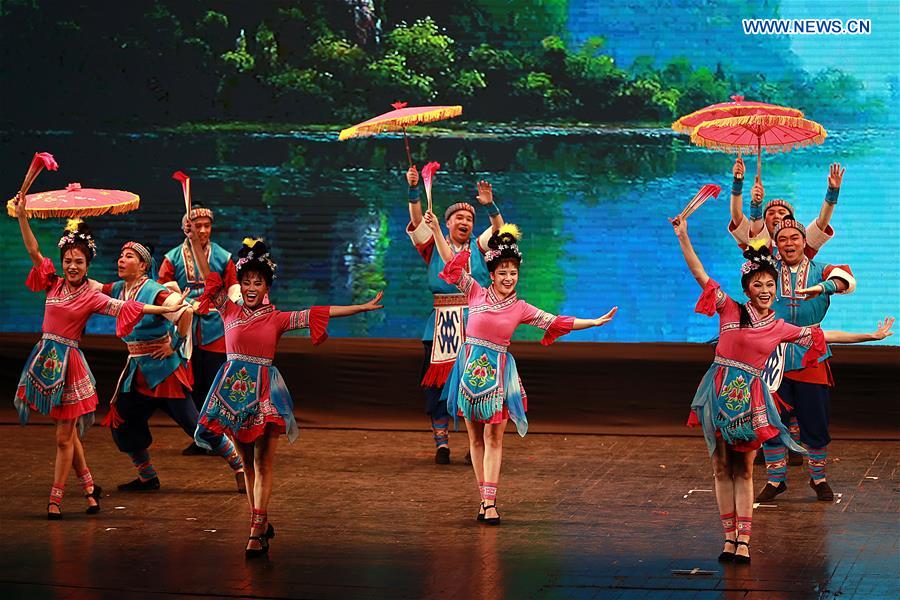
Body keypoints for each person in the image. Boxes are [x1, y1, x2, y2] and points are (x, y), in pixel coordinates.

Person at [671, 214, 892, 563]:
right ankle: (728, 538)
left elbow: (826, 335)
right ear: (747, 290)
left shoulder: (778, 326)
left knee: (743, 469)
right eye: (758, 285)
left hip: (749, 401)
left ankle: (744, 540)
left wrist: (872, 336)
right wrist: (684, 237)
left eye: (769, 286)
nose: (765, 290)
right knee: (719, 468)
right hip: (718, 396)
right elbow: (699, 274)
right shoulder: (729, 310)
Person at [190, 236, 383, 556]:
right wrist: (194, 241)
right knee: (247, 464)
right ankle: (260, 523)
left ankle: (256, 528)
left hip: (265, 394)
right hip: (233, 394)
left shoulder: (277, 319)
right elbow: (203, 268)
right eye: (247, 281)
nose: (252, 287)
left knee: (263, 462)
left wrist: (361, 307)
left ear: (267, 287)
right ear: (241, 284)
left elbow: (318, 313)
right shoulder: (228, 310)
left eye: (259, 282)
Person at [431, 220, 617, 525]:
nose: (508, 278)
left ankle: (490, 502)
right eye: (502, 273)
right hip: (469, 371)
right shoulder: (475, 292)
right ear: (491, 275)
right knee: (474, 439)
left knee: (494, 436)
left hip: (498, 374)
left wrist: (594, 322)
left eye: (513, 273)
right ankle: (482, 498)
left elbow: (556, 321)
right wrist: (438, 230)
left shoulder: (521, 308)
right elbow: (450, 263)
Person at [13, 195, 181, 518]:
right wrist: (22, 216)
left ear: (88, 265)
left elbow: (128, 307)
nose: (72, 266)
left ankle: (55, 498)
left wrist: (165, 307)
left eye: (79, 262)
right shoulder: (51, 284)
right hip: (46, 363)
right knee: (68, 434)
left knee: (63, 437)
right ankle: (90, 490)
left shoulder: (91, 296)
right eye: (68, 261)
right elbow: (34, 251)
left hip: (70, 369)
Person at [102, 241, 246, 493]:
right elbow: (92, 287)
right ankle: (147, 476)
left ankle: (241, 467)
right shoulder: (119, 289)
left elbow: (184, 312)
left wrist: (175, 344)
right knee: (122, 420)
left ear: (143, 265)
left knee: (196, 426)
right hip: (137, 372)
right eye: (120, 256)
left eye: (128, 256)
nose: (121, 260)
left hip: (164, 371)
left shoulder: (154, 291)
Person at [406, 166, 504, 464]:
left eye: (470, 218)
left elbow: (499, 229)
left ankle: (474, 440)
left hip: (474, 320)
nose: (465, 221)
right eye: (459, 218)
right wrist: (413, 188)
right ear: (446, 223)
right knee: (437, 384)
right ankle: (441, 442)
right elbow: (415, 219)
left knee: (473, 381)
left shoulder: (479, 247)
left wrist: (489, 205)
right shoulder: (433, 245)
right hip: (440, 326)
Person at [755, 218, 858, 503]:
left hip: (811, 355)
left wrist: (822, 288)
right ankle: (776, 481)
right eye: (783, 239)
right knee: (772, 422)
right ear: (776, 244)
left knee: (816, 421)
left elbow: (847, 282)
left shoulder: (819, 270)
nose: (789, 243)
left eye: (794, 238)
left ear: (804, 242)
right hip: (773, 359)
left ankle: (819, 478)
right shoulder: (768, 271)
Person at [158, 202, 240, 456]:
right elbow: (162, 287)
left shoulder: (223, 257)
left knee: (215, 384)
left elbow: (233, 286)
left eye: (207, 226)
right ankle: (200, 436)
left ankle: (220, 436)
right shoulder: (172, 258)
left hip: (216, 328)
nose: (203, 231)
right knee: (191, 387)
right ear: (186, 228)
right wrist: (188, 303)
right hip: (186, 326)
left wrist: (233, 307)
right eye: (197, 226)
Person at [728, 155, 843, 258]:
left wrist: (832, 192)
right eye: (771, 213)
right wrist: (738, 180)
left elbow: (822, 223)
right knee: (758, 242)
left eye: (782, 213)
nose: (776, 216)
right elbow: (737, 217)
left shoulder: (801, 245)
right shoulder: (755, 240)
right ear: (764, 220)